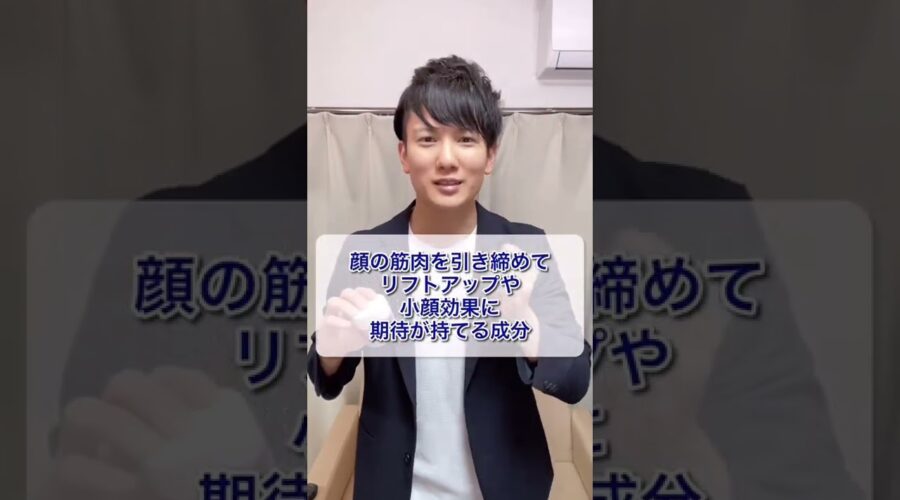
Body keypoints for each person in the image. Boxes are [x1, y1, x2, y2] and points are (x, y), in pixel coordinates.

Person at [306, 55, 592, 500]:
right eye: (427, 139)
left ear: (490, 155)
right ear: (404, 154)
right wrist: (333, 348)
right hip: (395, 487)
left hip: (506, 486)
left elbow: (575, 378)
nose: (446, 159)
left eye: (466, 139)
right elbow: (325, 377)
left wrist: (525, 327)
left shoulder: (524, 247)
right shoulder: (366, 250)